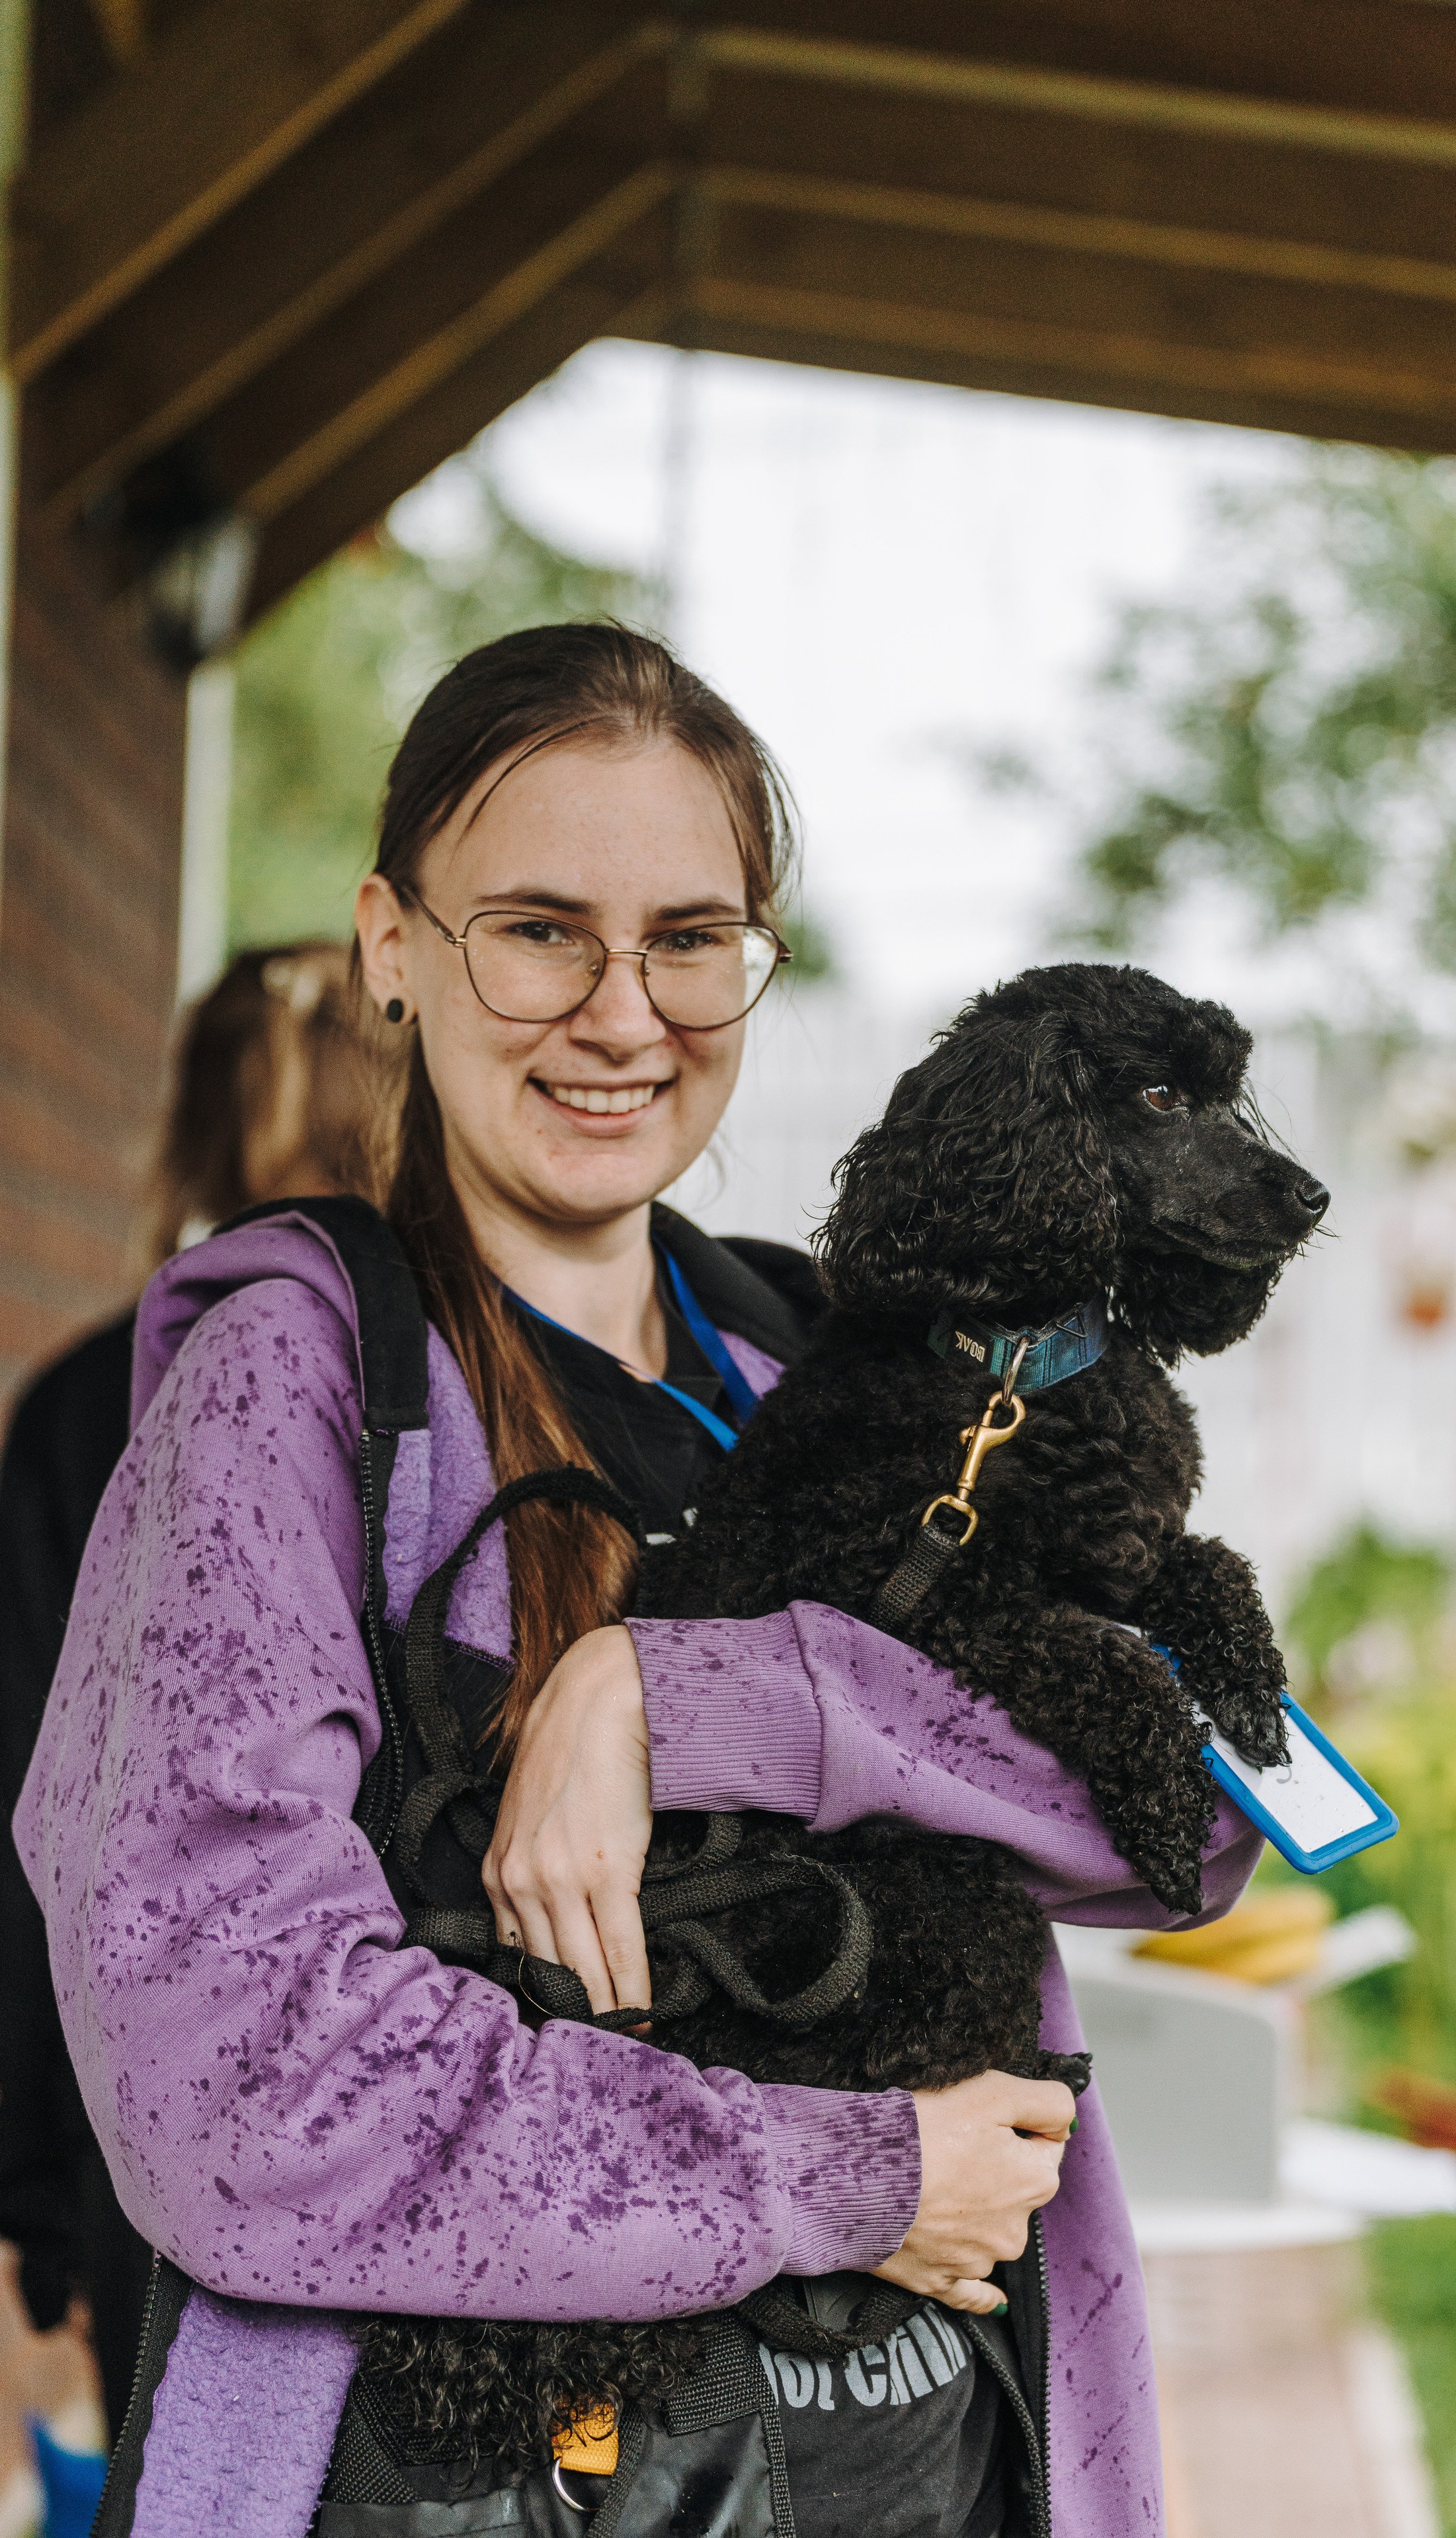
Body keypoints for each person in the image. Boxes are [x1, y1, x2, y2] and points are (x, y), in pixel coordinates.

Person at [15, 627, 1260, 2538]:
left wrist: (683, 1694)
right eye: (537, 929)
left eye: (690, 938)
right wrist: (849, 2171)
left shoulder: (837, 1354)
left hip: (918, 2445)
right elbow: (240, 2071)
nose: (622, 1013)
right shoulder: (297, 1385)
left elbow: (1201, 1813)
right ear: (392, 945)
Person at [0, 943, 384, 2428]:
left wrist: (35, 2187)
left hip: (158, 2145)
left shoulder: (98, 1394)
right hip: (426, 2141)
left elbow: (31, 1815)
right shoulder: (473, 1384)